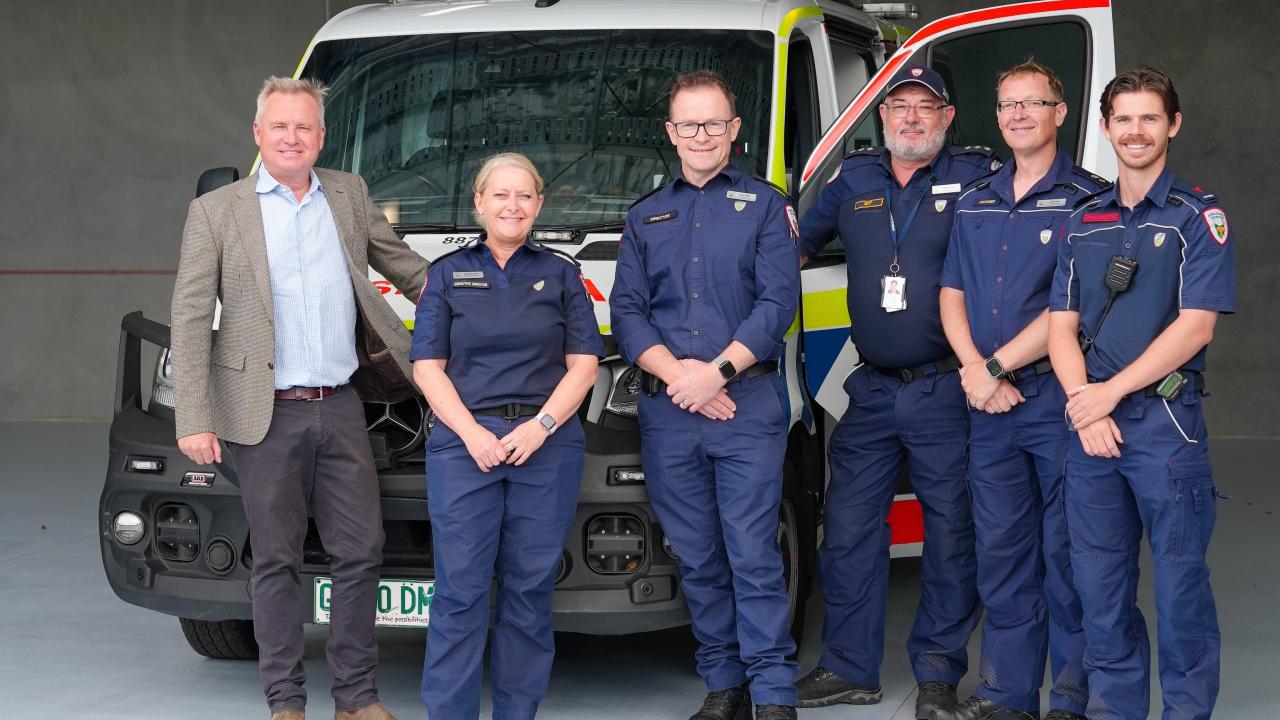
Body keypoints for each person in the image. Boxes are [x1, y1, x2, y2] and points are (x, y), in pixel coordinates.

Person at [171, 76, 428, 720]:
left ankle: (356, 699)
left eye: (304, 127)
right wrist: (194, 416)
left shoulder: (346, 194)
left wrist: (486, 293)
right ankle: (285, 702)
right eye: (279, 126)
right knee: (277, 558)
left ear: (321, 137)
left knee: (360, 552)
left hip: (341, 404)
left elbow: (404, 267)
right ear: (258, 134)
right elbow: (191, 312)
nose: (292, 137)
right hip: (264, 411)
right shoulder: (218, 210)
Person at [794, 65, 998, 720]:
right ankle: (848, 668)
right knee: (849, 531)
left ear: (947, 117)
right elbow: (792, 245)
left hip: (946, 387)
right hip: (872, 390)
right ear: (882, 118)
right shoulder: (853, 179)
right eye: (899, 107)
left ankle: (937, 675)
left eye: (926, 107)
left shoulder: (977, 178)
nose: (911, 117)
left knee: (950, 533)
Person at [610, 70, 801, 720]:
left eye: (713, 123)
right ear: (670, 133)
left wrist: (714, 374)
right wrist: (682, 380)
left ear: (734, 130)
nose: (701, 135)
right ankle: (724, 686)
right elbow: (628, 314)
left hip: (746, 406)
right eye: (688, 124)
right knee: (696, 555)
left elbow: (779, 304)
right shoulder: (643, 216)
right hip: (672, 414)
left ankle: (773, 693)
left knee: (752, 553)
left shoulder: (768, 206)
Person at [1047, 66, 1234, 720]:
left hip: (1164, 429)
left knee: (1182, 590)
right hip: (1091, 434)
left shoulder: (1197, 217)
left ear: (1172, 125)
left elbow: (1195, 326)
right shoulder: (1082, 219)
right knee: (1100, 593)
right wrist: (1083, 403)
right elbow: (1059, 327)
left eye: (1149, 118)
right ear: (1104, 128)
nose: (1135, 131)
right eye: (1122, 119)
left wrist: (1107, 394)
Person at [935, 60, 1105, 720]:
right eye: (1008, 104)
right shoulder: (975, 198)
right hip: (989, 406)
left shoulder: (1091, 199)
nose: (1019, 115)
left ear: (1061, 113)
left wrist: (994, 368)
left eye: (1034, 103)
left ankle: (1070, 700)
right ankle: (1007, 696)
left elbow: (1077, 305)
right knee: (1002, 553)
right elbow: (951, 294)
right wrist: (977, 371)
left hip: (1057, 401)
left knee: (1068, 556)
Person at [412, 152, 603, 720]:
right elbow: (427, 367)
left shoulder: (564, 273)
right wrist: (472, 433)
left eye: (524, 196)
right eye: (500, 195)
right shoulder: (446, 275)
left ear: (539, 205)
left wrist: (540, 427)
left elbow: (585, 363)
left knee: (528, 591)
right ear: (479, 203)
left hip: (544, 444)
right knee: (459, 592)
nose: (512, 206)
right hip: (463, 443)